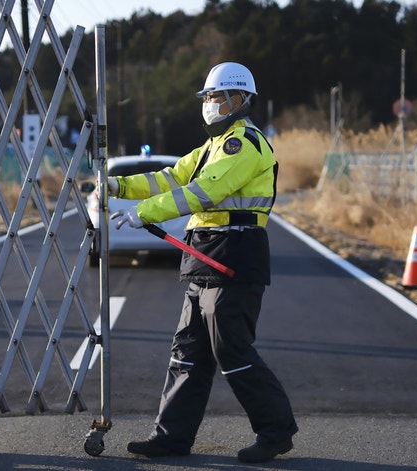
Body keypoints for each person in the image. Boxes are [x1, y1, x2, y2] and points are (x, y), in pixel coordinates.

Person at [107, 62, 298, 463]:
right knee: (187, 351)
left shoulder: (243, 144)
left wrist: (145, 212)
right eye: (207, 97)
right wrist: (118, 186)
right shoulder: (212, 147)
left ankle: (276, 431)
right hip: (205, 255)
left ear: (239, 99)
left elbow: (203, 192)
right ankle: (171, 437)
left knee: (232, 349)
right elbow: (169, 178)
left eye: (215, 97)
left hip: (235, 254)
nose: (209, 104)